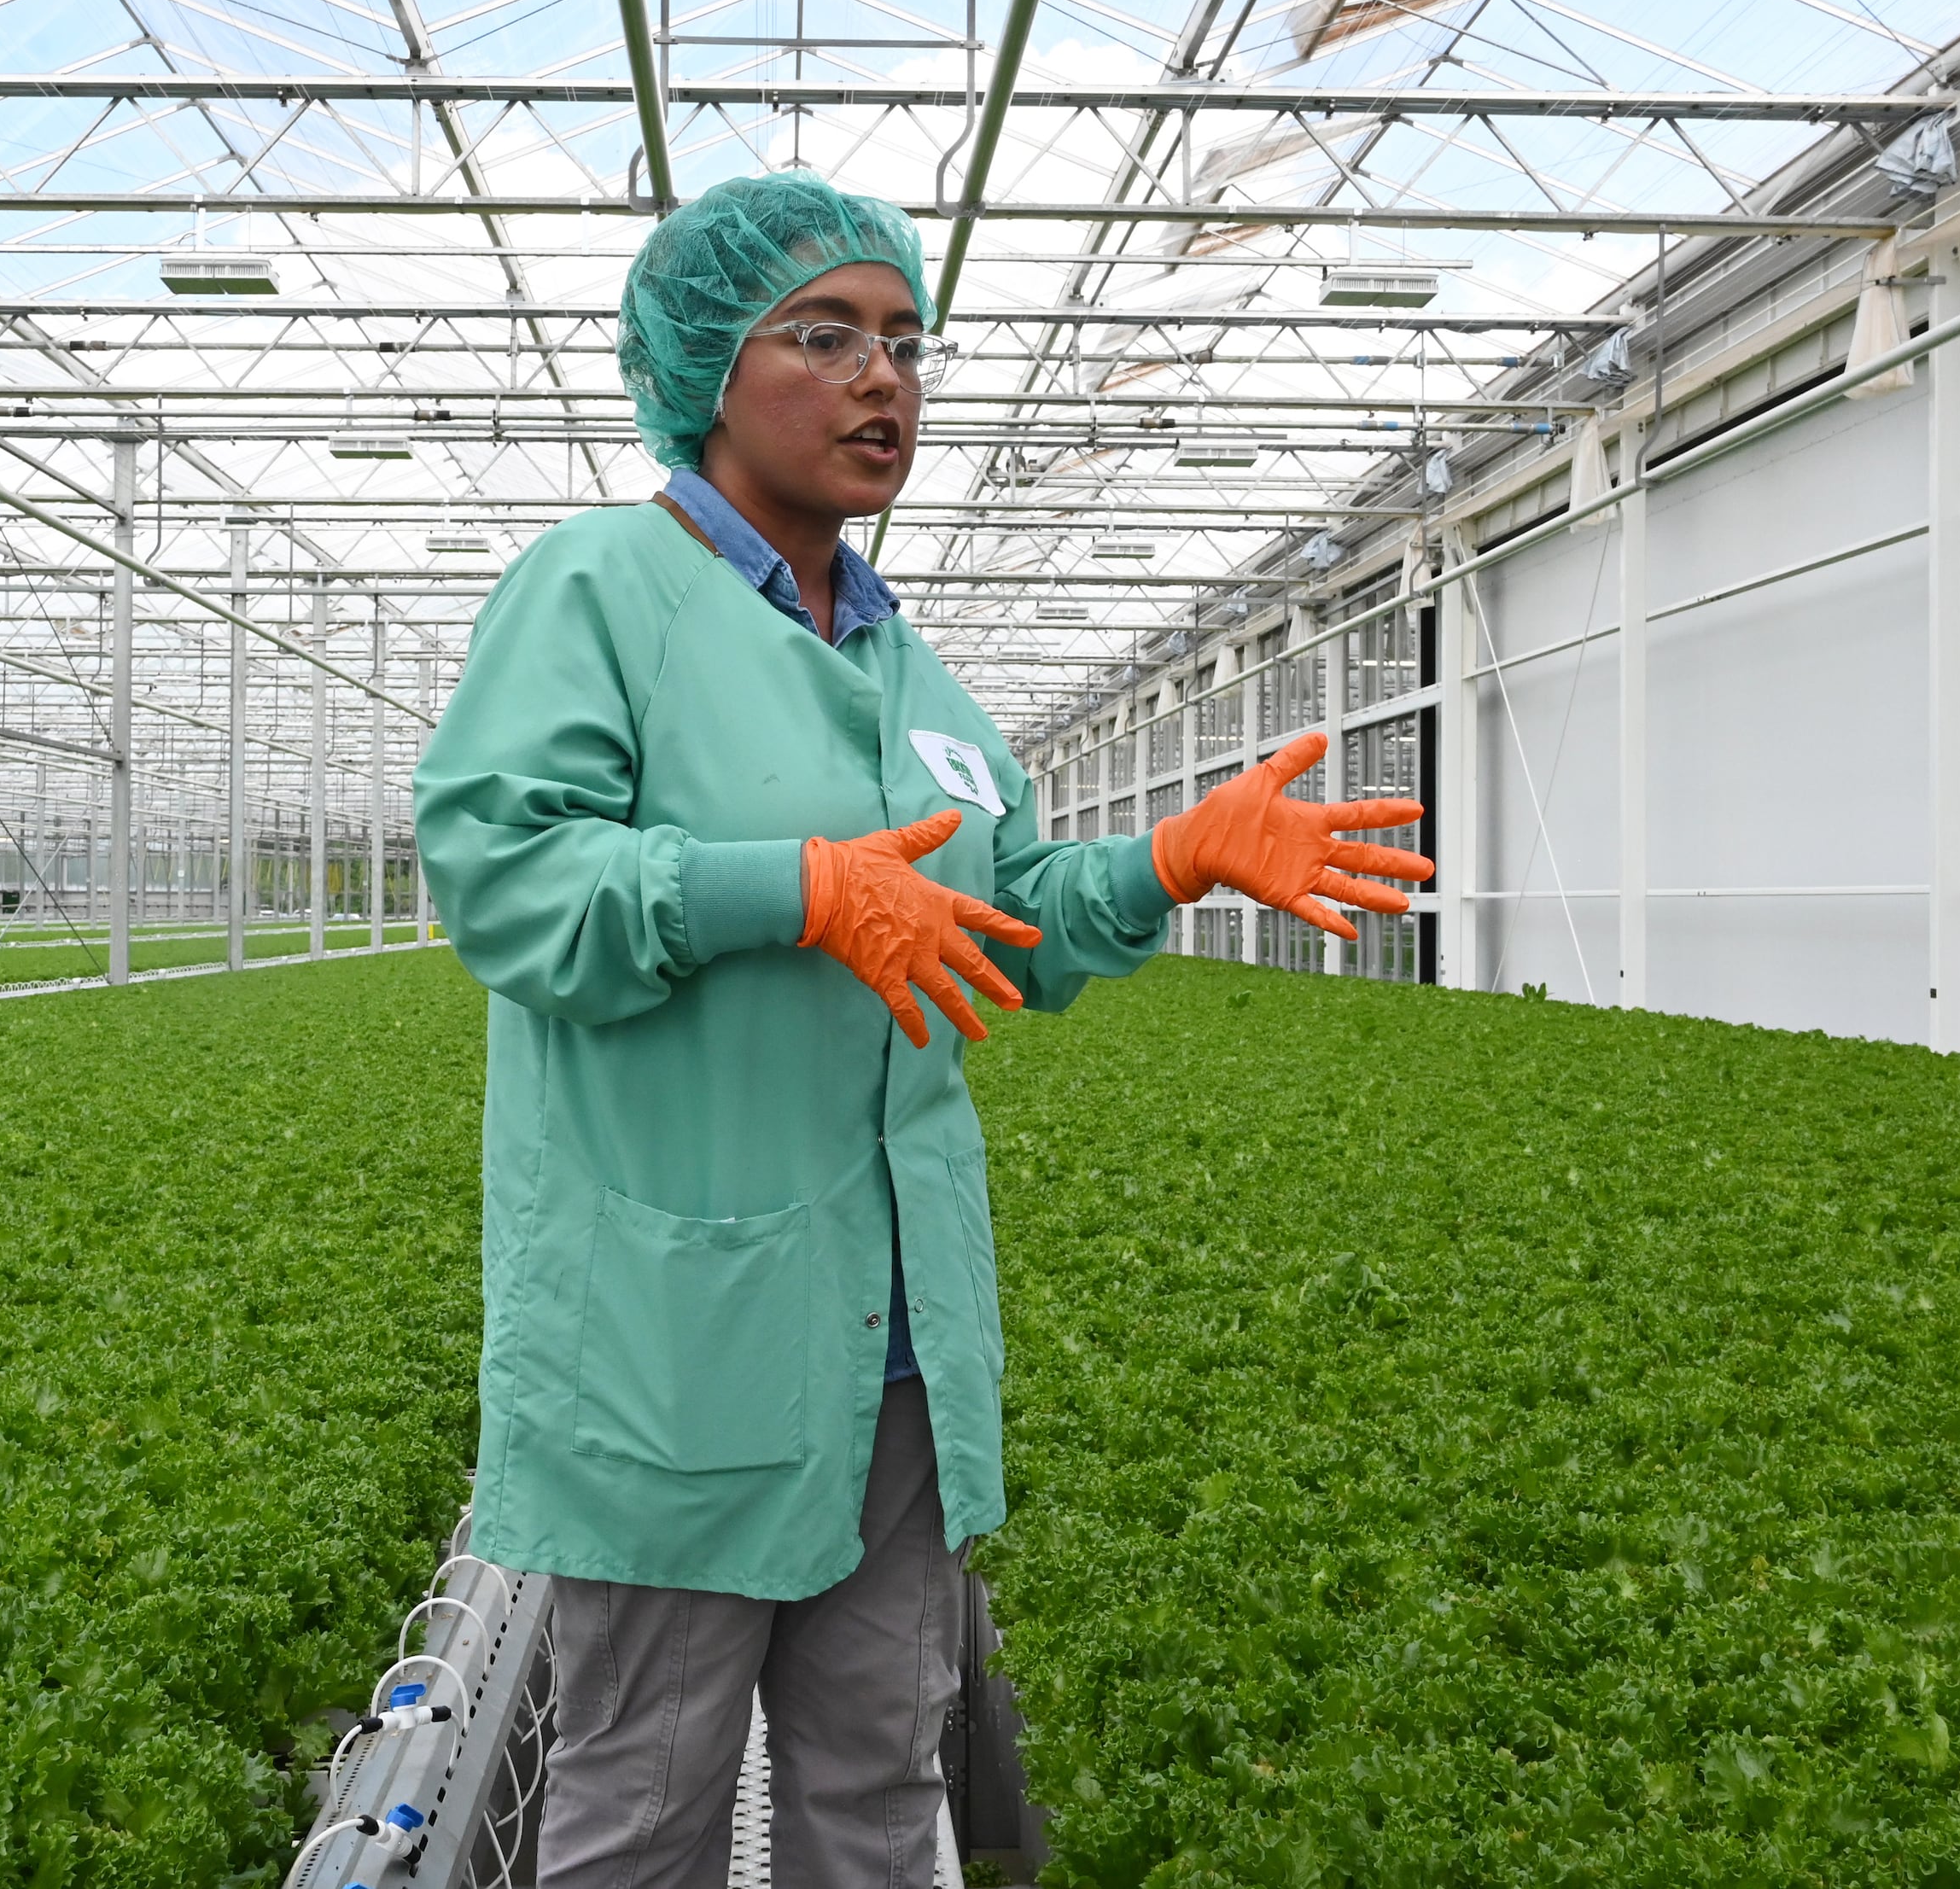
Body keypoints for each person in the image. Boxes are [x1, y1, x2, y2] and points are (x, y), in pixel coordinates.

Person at [411, 170, 1432, 1889]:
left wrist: (1173, 857)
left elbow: (1005, 919)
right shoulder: (601, 588)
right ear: (705, 370)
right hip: (678, 1335)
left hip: (894, 1347)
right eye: (822, 334)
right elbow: (506, 876)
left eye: (904, 339)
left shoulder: (910, 671)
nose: (882, 378)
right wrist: (793, 889)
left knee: (882, 1785)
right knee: (645, 1800)